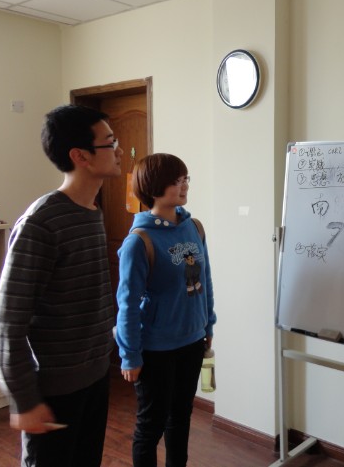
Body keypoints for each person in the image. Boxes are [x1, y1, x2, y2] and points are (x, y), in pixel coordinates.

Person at [0, 104, 123, 467]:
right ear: (81, 156)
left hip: (95, 377)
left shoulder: (91, 212)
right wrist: (25, 401)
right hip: (54, 391)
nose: (119, 151)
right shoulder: (41, 223)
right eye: (110, 142)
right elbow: (5, 324)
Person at [115, 153, 216, 467]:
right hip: (156, 349)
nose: (184, 186)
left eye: (185, 179)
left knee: (181, 418)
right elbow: (127, 304)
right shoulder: (139, 241)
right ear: (154, 187)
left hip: (192, 341)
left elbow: (205, 281)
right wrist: (129, 355)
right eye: (176, 181)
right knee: (151, 426)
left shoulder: (194, 228)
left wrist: (208, 325)